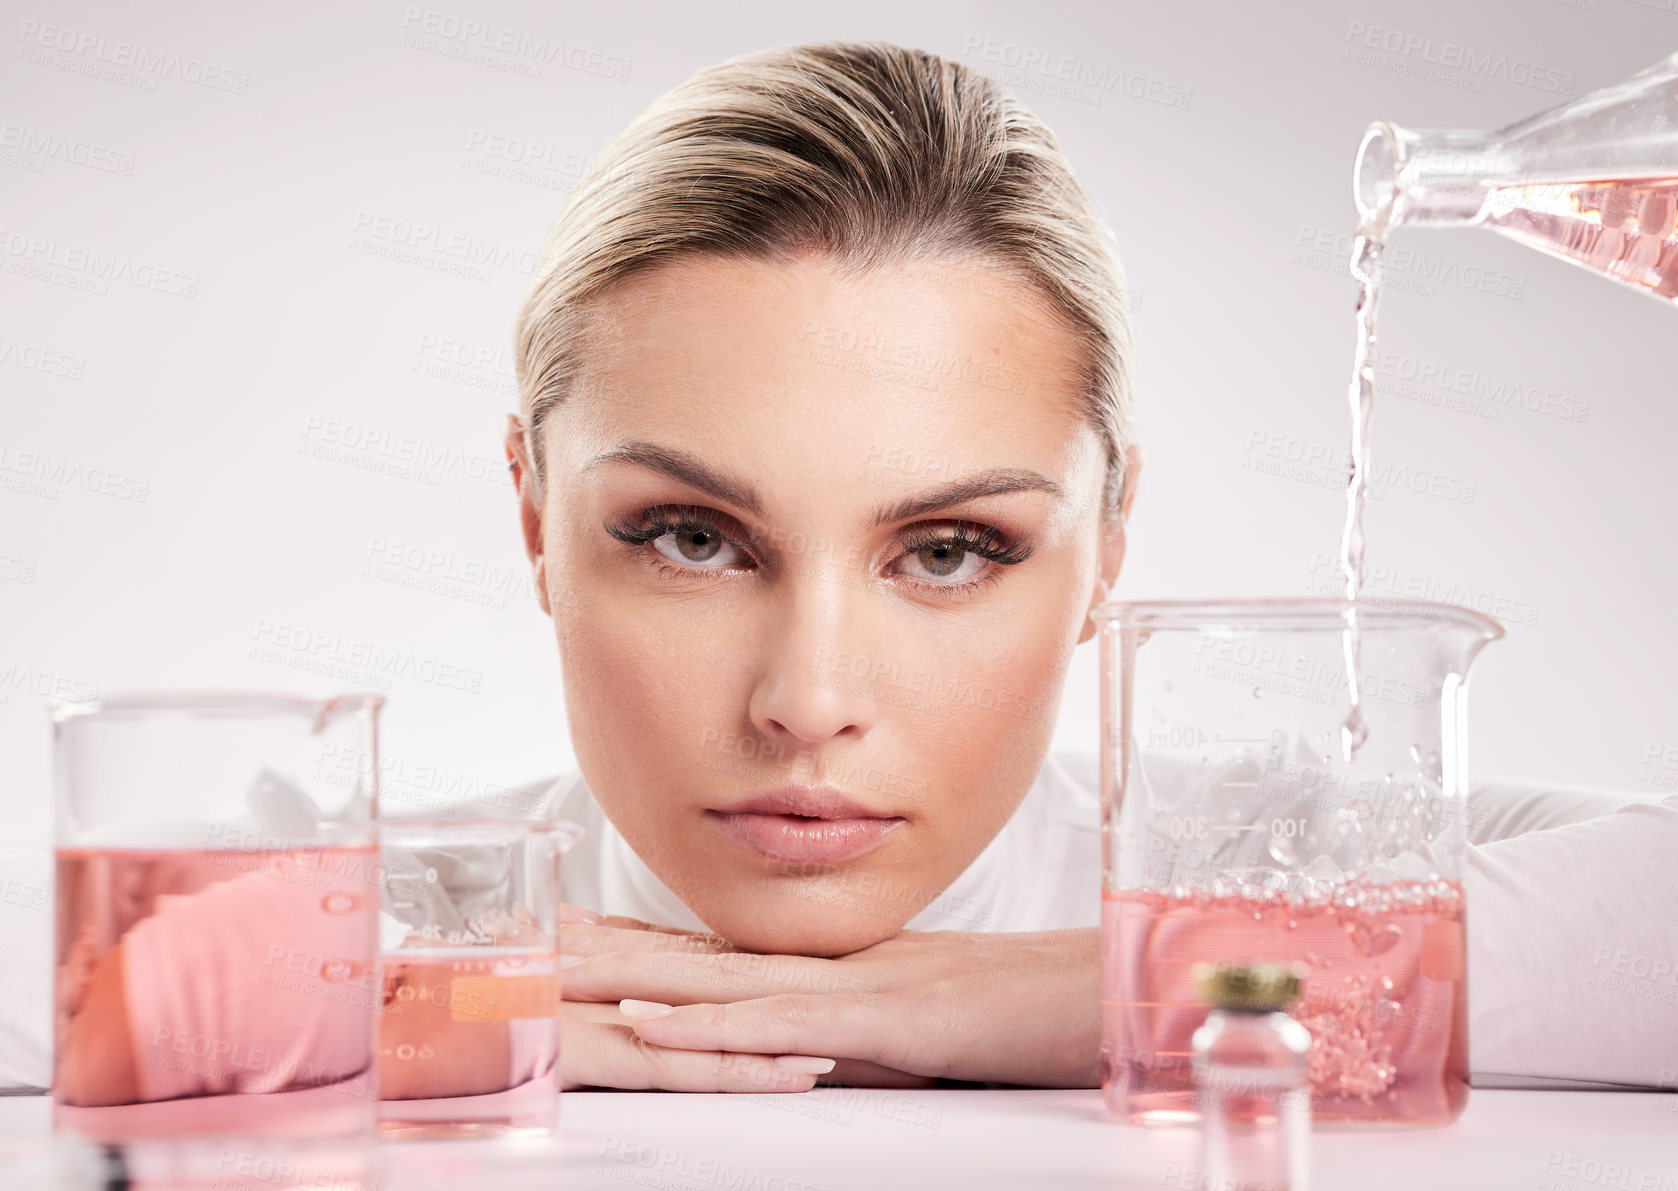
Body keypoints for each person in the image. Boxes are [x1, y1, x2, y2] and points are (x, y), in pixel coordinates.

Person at [5, 39, 1675, 1102]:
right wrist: (235, 992)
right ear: (531, 516)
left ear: (1111, 544)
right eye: (688, 537)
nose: (807, 702)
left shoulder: (1221, 872)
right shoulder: (399, 924)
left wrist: (1085, 988)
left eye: (950, 550)